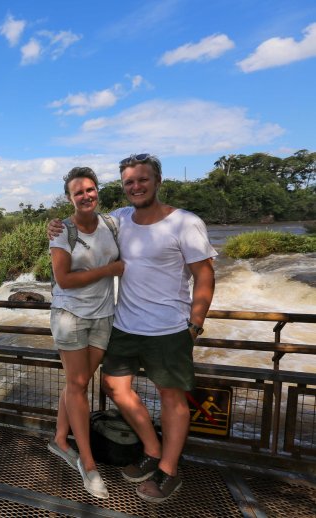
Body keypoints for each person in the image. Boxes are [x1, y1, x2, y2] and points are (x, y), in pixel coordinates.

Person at [48, 153, 216, 503]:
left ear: (157, 181)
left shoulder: (185, 223)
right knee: (112, 385)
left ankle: (168, 470)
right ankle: (152, 449)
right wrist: (56, 226)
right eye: (129, 182)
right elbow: (82, 224)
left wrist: (195, 325)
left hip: (169, 327)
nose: (136, 186)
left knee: (172, 398)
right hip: (123, 323)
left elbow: (204, 275)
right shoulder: (120, 219)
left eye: (142, 180)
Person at [47, 166, 124, 500]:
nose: (86, 196)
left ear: (98, 191)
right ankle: (88, 465)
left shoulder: (112, 224)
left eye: (90, 189)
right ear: (70, 198)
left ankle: (60, 440)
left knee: (76, 384)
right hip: (71, 317)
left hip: (104, 315)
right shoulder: (62, 231)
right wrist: (109, 270)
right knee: (79, 386)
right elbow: (63, 279)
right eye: (78, 192)